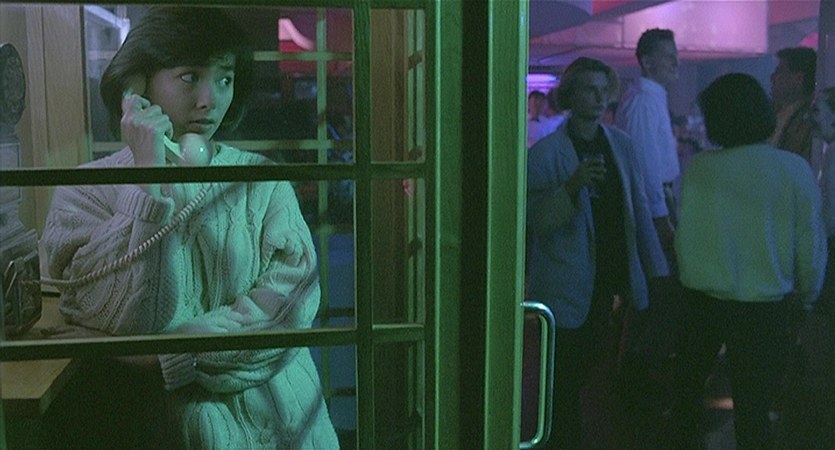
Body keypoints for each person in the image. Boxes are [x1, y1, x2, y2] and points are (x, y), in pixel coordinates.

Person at [40, 7, 339, 449]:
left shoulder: (262, 182)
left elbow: (287, 315)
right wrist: (147, 182)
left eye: (224, 79)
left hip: (280, 428)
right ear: (137, 85)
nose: (209, 100)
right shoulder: (84, 192)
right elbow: (131, 316)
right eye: (189, 77)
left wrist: (157, 355)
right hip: (150, 432)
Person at [672, 73, 827, 450]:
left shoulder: (700, 168)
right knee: (754, 411)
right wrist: (807, 297)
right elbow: (810, 244)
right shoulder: (793, 169)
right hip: (764, 308)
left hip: (701, 302)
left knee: (686, 401)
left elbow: (685, 239)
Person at [526, 56, 668, 449]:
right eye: (590, 89)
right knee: (564, 375)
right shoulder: (546, 153)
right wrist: (571, 188)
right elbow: (536, 221)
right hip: (567, 282)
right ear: (570, 95)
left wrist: (655, 271)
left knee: (592, 367)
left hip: (609, 276)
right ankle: (564, 440)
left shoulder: (620, 144)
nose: (599, 97)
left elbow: (637, 209)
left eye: (604, 90)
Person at [614, 28, 679, 255]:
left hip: (657, 200)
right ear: (647, 62)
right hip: (653, 206)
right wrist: (660, 216)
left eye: (675, 56)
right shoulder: (644, 101)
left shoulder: (651, 97)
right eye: (668, 57)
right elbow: (645, 165)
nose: (676, 62)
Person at [770, 47, 817, 163]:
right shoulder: (769, 112)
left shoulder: (812, 119)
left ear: (799, 78)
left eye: (779, 71)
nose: (772, 77)